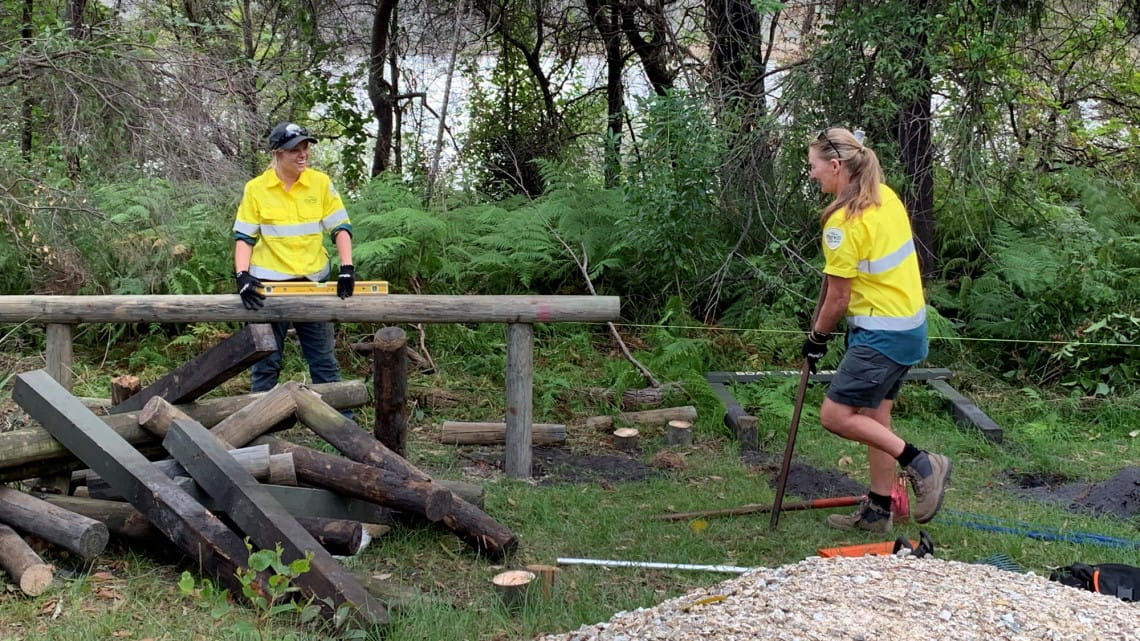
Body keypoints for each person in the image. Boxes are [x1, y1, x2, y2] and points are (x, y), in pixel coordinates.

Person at [802, 126, 951, 532]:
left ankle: (922, 462)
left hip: (881, 334)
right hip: (908, 327)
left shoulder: (841, 222)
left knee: (835, 415)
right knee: (874, 418)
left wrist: (816, 338)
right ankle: (878, 510)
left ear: (835, 166)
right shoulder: (886, 197)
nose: (812, 174)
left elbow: (837, 298)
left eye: (814, 166)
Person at [232, 122, 356, 394]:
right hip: (268, 286)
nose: (303, 155)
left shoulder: (320, 183)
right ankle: (256, 430)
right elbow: (244, 237)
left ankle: (340, 429)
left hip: (313, 282)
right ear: (276, 153)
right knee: (265, 362)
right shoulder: (256, 188)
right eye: (294, 150)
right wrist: (241, 274)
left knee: (324, 362)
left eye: (305, 148)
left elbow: (341, 227)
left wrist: (347, 267)